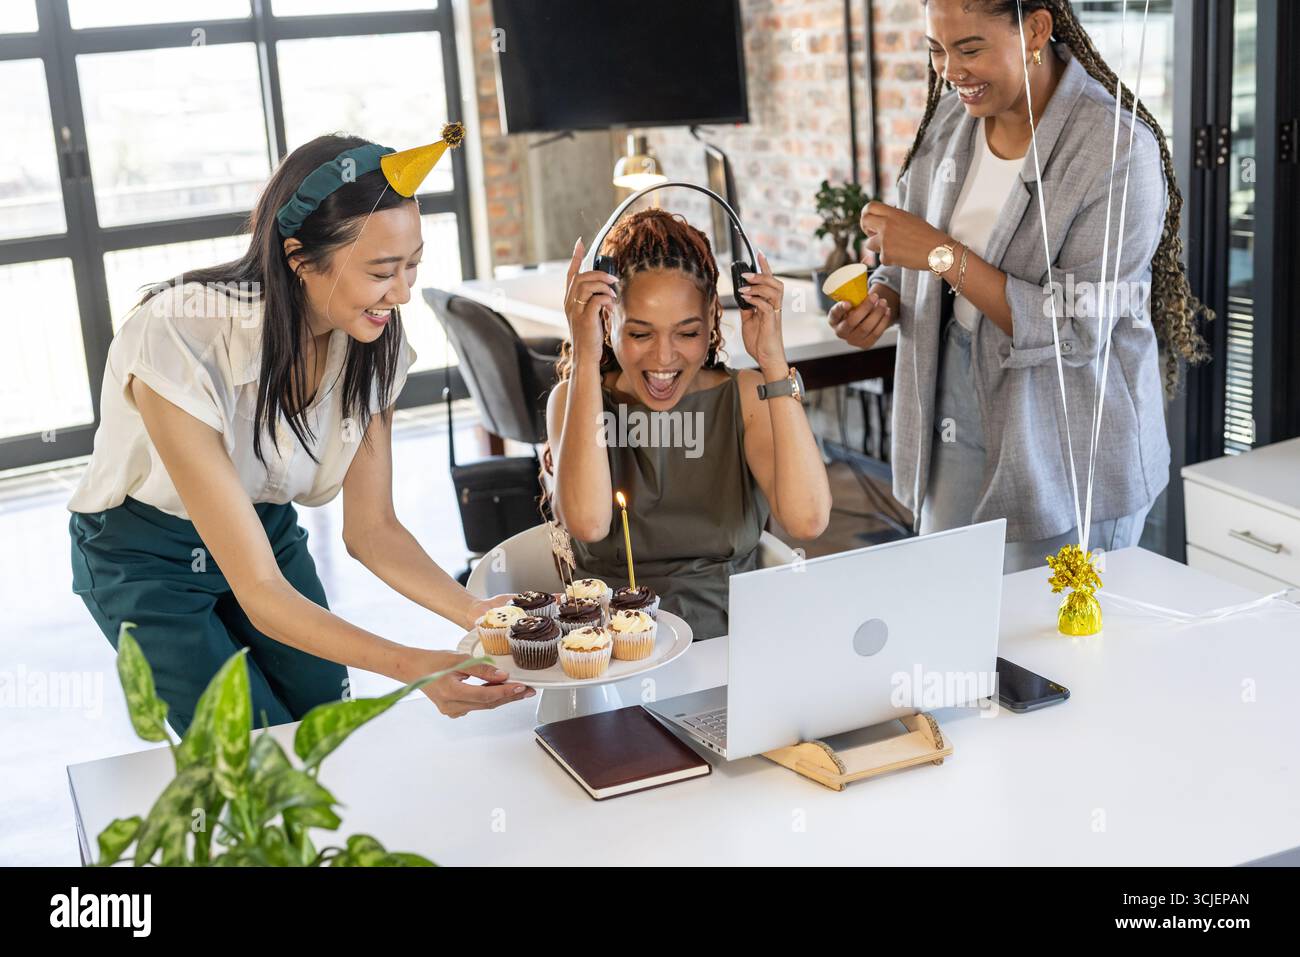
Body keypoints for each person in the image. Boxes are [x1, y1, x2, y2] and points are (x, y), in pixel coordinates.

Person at [68, 129, 529, 736]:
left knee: (324, 723)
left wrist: (478, 612)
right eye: (382, 272)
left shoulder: (375, 344)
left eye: (413, 266)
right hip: (143, 555)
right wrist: (414, 669)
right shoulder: (182, 335)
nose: (404, 293)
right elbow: (259, 589)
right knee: (252, 746)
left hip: (264, 529)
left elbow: (373, 531)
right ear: (299, 258)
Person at [829, 0, 1210, 571]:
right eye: (936, 50)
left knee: (1052, 648)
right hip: (948, 419)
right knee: (956, 622)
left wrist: (940, 253)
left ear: (1035, 29)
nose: (950, 71)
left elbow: (1076, 329)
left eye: (970, 48)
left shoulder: (1117, 151)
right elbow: (907, 263)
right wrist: (883, 297)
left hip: (1064, 441)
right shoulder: (950, 123)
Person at [546, 208, 831, 640]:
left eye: (687, 332)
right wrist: (586, 357)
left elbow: (808, 520)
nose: (664, 358)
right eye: (641, 334)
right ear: (608, 322)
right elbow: (587, 524)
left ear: (713, 319)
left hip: (732, 649)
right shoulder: (574, 399)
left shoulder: (748, 396)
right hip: (612, 654)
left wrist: (773, 361)